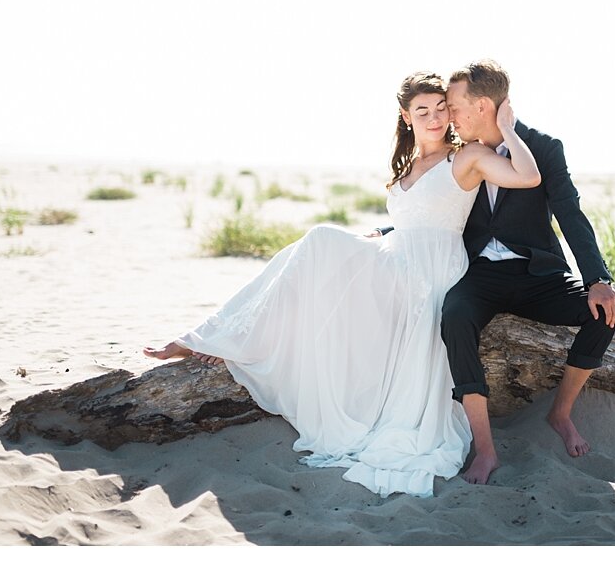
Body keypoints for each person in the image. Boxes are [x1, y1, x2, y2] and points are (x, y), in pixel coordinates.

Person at [143, 72, 541, 498]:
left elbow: (528, 176)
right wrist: (382, 236)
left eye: (441, 108)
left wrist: (507, 128)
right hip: (399, 260)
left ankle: (220, 338)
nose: (434, 118)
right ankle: (219, 337)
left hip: (433, 272)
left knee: (320, 243)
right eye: (422, 111)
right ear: (406, 117)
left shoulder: (465, 158)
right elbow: (413, 219)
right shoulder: (406, 168)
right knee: (319, 249)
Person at [441, 60, 615, 485]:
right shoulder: (461, 153)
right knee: (454, 316)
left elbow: (570, 214)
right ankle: (485, 449)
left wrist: (598, 280)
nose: (449, 116)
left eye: (454, 106)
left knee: (605, 313)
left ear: (483, 105)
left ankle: (560, 413)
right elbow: (440, 210)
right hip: (479, 274)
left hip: (537, 274)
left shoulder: (542, 147)